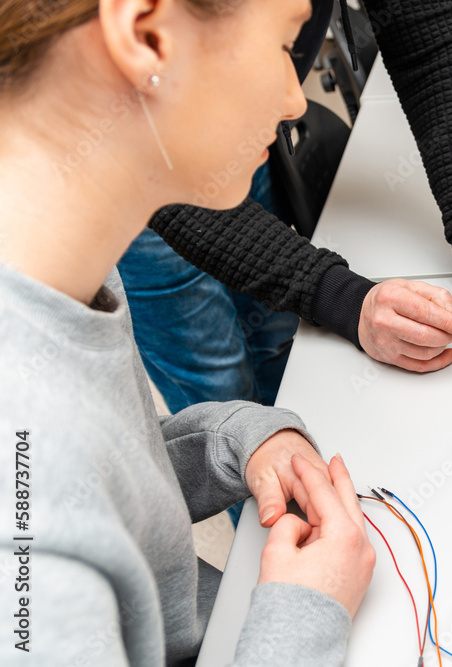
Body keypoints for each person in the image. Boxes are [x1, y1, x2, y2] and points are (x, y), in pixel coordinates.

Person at [0, 0, 374, 664]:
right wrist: (303, 614)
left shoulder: (63, 278)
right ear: (146, 34)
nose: (294, 102)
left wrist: (230, 441)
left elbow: (98, 486)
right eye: (282, 44)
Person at [119, 0, 452, 417]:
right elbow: (146, 159)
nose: (297, 103)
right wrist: (345, 301)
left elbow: (425, 35)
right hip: (144, 168)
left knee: (274, 339)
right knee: (216, 381)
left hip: (232, 132)